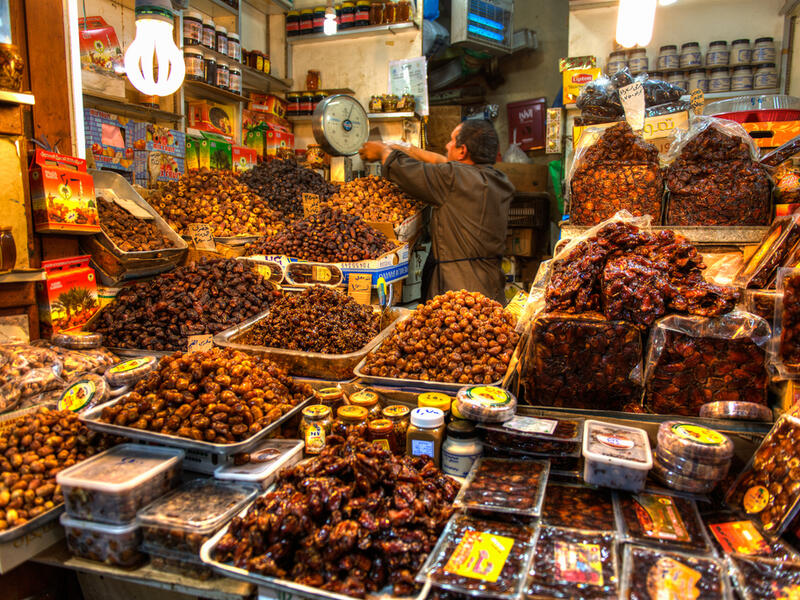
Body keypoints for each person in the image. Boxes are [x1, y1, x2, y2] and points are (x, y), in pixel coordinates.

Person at [359, 119, 514, 304]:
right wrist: (410, 149)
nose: (446, 145)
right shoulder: (498, 180)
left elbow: (407, 171)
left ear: (462, 150)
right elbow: (444, 162)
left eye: (451, 141)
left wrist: (383, 152)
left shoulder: (452, 178)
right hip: (491, 283)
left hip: (459, 289)